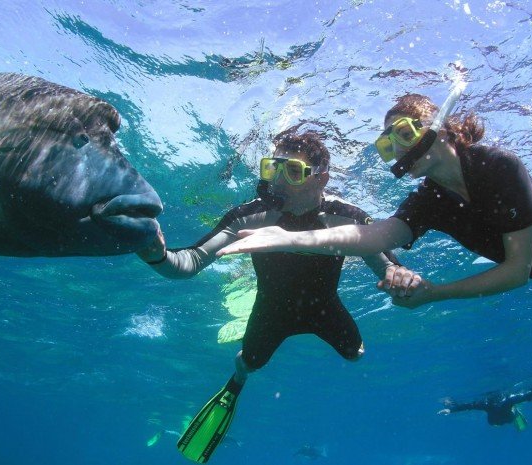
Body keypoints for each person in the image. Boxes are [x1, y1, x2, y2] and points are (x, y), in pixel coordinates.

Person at [137, 125, 421, 462]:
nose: (279, 181)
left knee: (356, 353)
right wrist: (155, 253)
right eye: (272, 168)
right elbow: (188, 264)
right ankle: (236, 381)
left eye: (294, 172)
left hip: (324, 308)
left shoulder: (346, 217)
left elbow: (386, 265)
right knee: (249, 364)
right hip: (272, 310)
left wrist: (398, 278)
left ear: (321, 179)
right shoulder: (251, 215)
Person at [217, 91, 532, 308]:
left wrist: (435, 294)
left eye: (404, 133)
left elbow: (515, 272)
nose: (399, 149)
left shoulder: (496, 165)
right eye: (388, 144)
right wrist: (293, 239)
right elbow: (373, 236)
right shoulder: (428, 201)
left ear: (442, 128)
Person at [437, 381, 532, 431]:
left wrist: (450, 410)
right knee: (512, 412)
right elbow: (525, 396)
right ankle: (515, 412)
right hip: (506, 417)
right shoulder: (507, 399)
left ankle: (515, 412)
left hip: (496, 421)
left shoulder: (485, 403)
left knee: (499, 421)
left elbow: (468, 405)